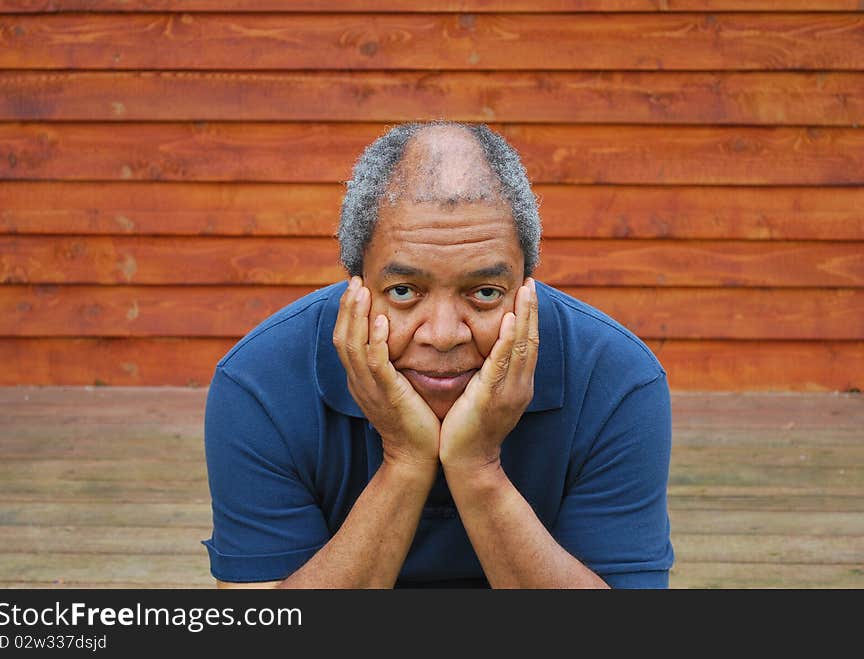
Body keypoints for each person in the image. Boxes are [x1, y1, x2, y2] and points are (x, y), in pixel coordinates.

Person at [202, 121, 674, 588]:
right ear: (357, 283)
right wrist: (405, 460)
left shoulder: (617, 380)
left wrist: (478, 468)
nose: (444, 335)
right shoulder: (259, 383)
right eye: (404, 290)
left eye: (485, 293)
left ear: (526, 286)